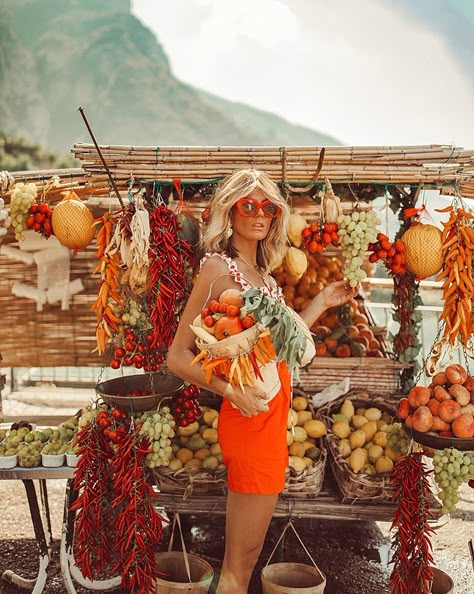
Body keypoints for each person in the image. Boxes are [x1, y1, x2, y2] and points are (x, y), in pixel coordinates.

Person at [167, 169, 358, 594]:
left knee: (248, 558)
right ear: (230, 211)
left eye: (269, 208)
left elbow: (277, 350)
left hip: (272, 423)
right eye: (248, 205)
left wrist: (321, 303)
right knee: (240, 562)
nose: (259, 215)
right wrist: (230, 391)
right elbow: (177, 357)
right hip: (249, 421)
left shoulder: (266, 279)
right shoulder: (218, 268)